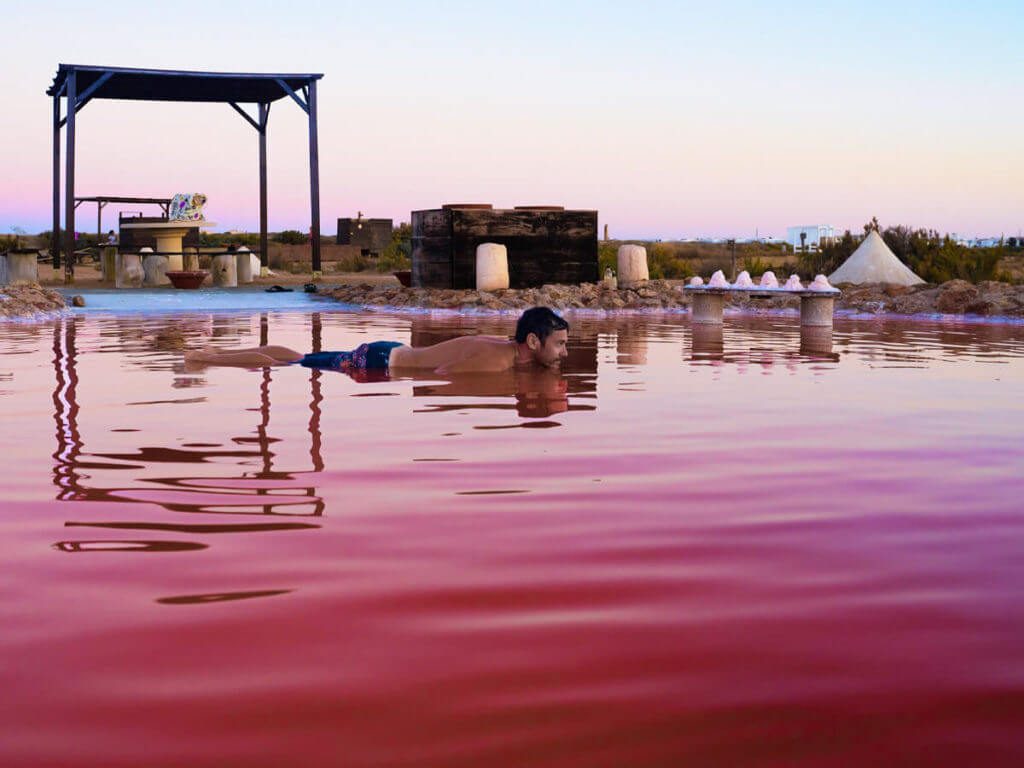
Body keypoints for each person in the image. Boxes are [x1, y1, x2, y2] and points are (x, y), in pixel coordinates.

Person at [185, 306, 570, 375]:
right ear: (533, 342)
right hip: (380, 364)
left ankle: (212, 354)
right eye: (560, 345)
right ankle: (209, 359)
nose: (565, 353)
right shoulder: (498, 361)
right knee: (294, 363)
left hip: (387, 353)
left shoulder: (507, 349)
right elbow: (442, 371)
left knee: (300, 359)